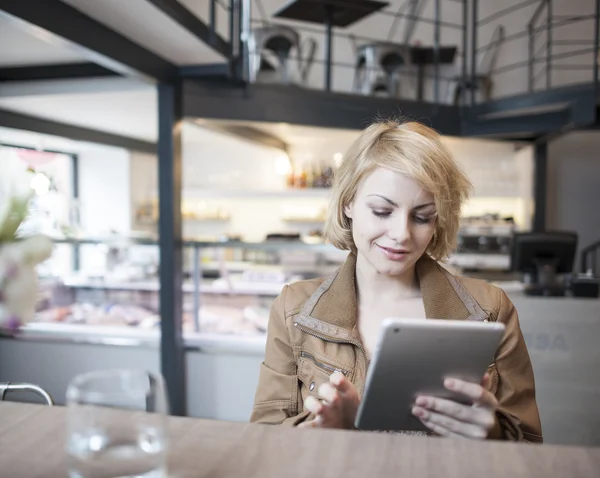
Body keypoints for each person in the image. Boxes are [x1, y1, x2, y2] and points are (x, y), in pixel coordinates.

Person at [250, 120, 542, 442]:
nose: (401, 234)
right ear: (348, 202)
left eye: (422, 217)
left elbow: (529, 444)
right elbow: (265, 440)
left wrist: (493, 433)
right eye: (381, 210)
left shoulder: (491, 310)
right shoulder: (294, 310)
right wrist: (320, 429)